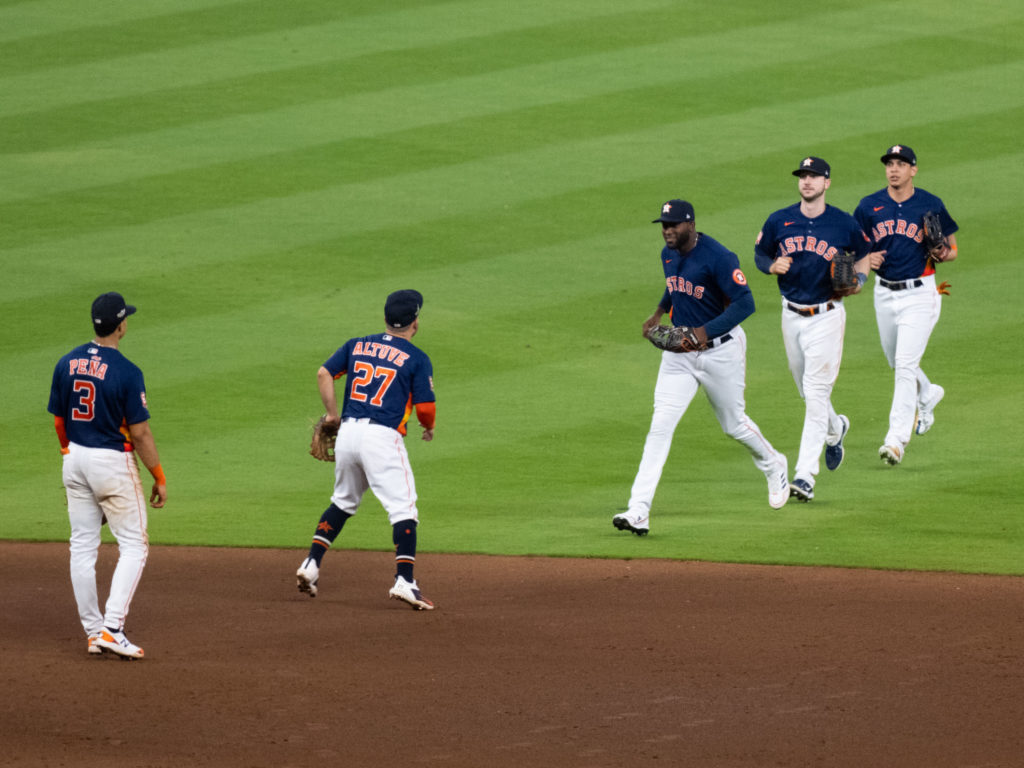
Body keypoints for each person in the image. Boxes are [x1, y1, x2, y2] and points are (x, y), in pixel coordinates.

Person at [613, 199, 790, 537]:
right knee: (659, 427)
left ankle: (773, 462)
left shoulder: (720, 258)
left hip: (721, 353)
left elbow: (746, 303)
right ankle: (639, 510)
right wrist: (659, 312)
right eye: (664, 225)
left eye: (674, 225)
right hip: (679, 356)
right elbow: (674, 284)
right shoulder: (668, 254)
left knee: (733, 425)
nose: (667, 230)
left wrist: (703, 333)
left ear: (690, 225)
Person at [296, 289, 437, 609]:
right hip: (382, 439)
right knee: (404, 509)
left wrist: (332, 414)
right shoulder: (417, 358)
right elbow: (426, 408)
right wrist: (428, 427)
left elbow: (324, 373)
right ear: (415, 322)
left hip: (348, 433)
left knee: (343, 501)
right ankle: (405, 580)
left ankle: (311, 564)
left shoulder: (356, 344)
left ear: (386, 319)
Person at [47, 292, 167, 659]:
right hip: (111, 463)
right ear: (121, 325)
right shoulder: (128, 372)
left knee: (82, 545)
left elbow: (58, 421)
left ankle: (92, 631)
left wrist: (71, 455)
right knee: (134, 544)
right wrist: (159, 475)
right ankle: (112, 628)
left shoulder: (66, 363)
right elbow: (141, 433)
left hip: (74, 458)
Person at [754, 157, 873, 501]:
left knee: (816, 392)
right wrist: (771, 265)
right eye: (803, 176)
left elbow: (864, 253)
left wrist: (861, 279)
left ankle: (805, 476)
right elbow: (761, 252)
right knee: (807, 393)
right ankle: (836, 430)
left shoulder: (843, 223)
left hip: (827, 315)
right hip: (790, 315)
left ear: (827, 183)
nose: (807, 181)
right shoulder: (779, 220)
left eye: (814, 176)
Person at [854, 145, 959, 465]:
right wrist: (865, 259)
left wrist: (943, 252)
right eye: (889, 164)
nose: (894, 169)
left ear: (913, 170)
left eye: (901, 164)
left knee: (903, 365)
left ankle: (896, 439)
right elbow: (855, 248)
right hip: (883, 294)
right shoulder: (869, 206)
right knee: (897, 362)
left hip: (920, 294)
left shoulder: (930, 203)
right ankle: (927, 394)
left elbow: (952, 250)